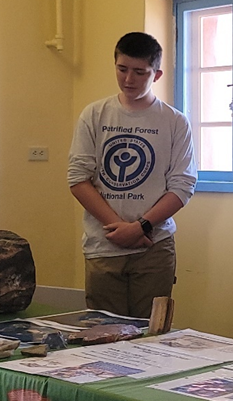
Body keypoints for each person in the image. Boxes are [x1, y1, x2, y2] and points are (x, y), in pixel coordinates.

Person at [68, 32, 197, 318]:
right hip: (103, 244)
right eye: (122, 69)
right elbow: (78, 178)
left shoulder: (175, 121)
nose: (128, 79)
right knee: (103, 332)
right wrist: (121, 229)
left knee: (151, 333)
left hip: (154, 246)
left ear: (157, 74)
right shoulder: (94, 114)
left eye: (140, 72)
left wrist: (141, 227)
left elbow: (183, 185)